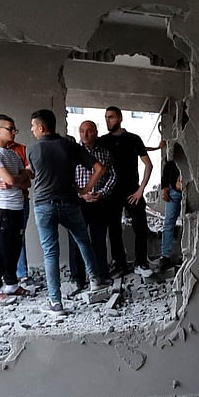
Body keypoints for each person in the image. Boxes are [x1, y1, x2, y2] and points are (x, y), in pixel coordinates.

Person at [26, 109, 109, 316]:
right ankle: (95, 281)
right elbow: (100, 168)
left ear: (42, 127)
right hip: (70, 203)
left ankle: (56, 303)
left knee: (50, 253)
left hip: (44, 205)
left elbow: (33, 174)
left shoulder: (33, 149)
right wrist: (85, 189)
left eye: (33, 126)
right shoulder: (70, 146)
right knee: (83, 241)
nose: (32, 130)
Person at [0, 115, 31, 305]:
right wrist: (16, 179)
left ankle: (11, 283)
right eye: (10, 129)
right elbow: (11, 179)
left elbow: (26, 181)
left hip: (17, 205)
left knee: (15, 246)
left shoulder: (13, 154)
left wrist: (15, 180)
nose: (14, 132)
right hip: (1, 207)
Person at [97, 106, 153, 277]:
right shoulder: (102, 141)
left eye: (111, 117)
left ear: (120, 118)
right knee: (114, 230)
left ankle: (141, 263)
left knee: (141, 228)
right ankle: (120, 264)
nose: (108, 120)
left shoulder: (133, 139)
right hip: (111, 192)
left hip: (132, 191)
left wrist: (141, 190)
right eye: (106, 117)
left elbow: (148, 165)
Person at [67, 120, 118, 292]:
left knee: (98, 238)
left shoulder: (104, 153)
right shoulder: (72, 153)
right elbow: (66, 177)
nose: (85, 135)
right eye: (82, 131)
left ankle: (100, 274)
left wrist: (102, 193)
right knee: (76, 239)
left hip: (99, 201)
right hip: (78, 202)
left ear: (96, 132)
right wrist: (80, 193)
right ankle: (77, 278)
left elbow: (112, 176)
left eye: (89, 131)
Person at [155, 155, 182, 269]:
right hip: (174, 190)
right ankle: (165, 257)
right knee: (168, 223)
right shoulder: (175, 149)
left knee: (191, 221)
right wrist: (165, 186)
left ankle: (187, 255)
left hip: (190, 189)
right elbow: (168, 163)